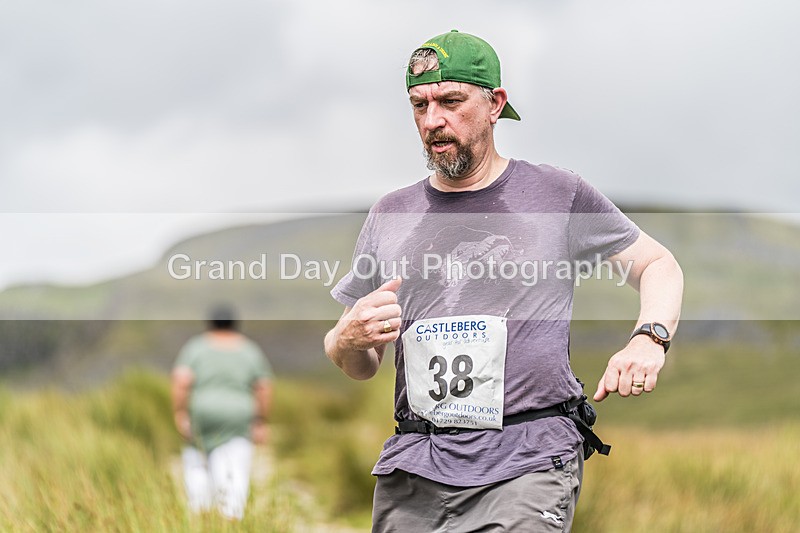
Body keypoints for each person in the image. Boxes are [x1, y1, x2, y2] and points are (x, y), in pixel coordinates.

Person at [324, 29, 683, 532]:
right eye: (419, 105)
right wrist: (345, 339)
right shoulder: (390, 213)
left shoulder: (557, 192)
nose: (433, 120)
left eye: (451, 101)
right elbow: (359, 363)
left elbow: (657, 264)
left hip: (529, 458)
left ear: (495, 103)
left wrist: (650, 339)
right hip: (417, 464)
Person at [171, 306, 273, 521]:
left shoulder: (196, 347)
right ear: (235, 325)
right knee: (233, 472)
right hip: (237, 418)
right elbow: (263, 387)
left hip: (202, 414)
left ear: (210, 324)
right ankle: (230, 519)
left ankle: (200, 517)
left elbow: (181, 381)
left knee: (197, 467)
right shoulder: (249, 350)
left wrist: (180, 413)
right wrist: (261, 421)